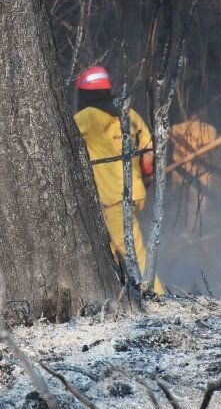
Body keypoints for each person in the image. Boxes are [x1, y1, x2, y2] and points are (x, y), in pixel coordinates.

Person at [73, 66, 164, 294]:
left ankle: (158, 298)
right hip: (136, 194)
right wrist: (145, 178)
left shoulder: (87, 117)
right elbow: (149, 153)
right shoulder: (129, 114)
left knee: (134, 254)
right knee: (113, 251)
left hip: (113, 199)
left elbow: (62, 136)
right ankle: (125, 296)